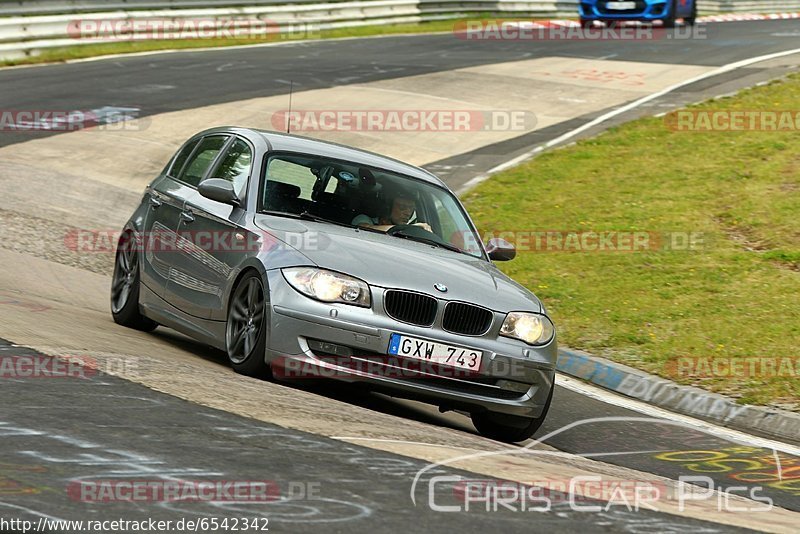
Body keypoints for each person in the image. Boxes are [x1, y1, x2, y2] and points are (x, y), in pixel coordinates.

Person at [352, 192, 431, 232]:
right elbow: (366, 228)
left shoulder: (408, 232)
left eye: (411, 209)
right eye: (402, 207)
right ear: (388, 208)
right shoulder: (364, 219)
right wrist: (410, 228)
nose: (408, 213)